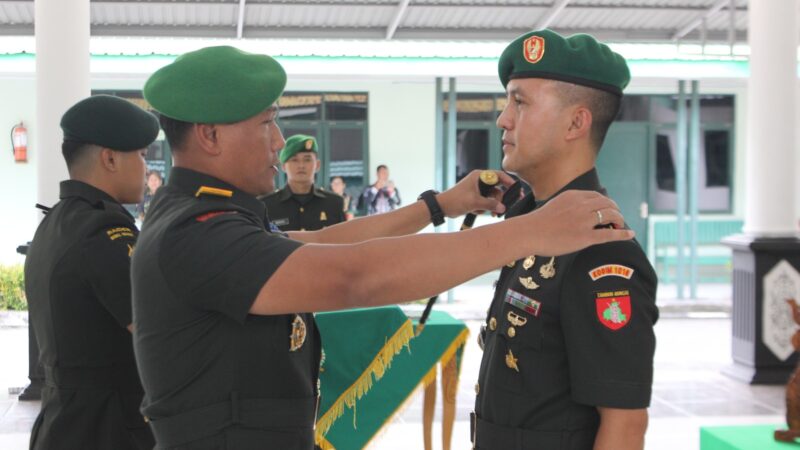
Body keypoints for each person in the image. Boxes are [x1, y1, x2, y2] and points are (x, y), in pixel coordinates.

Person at [132, 45, 633, 450]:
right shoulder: (194, 232)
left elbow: (321, 244)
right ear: (210, 135)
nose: (277, 141)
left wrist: (439, 206)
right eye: (267, 123)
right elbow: (350, 275)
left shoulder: (211, 215)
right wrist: (530, 232)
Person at [470, 30, 659, 450]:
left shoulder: (602, 250)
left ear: (576, 122)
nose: (503, 118)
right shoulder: (528, 221)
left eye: (519, 102)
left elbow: (625, 426)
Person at [24, 95, 159, 450]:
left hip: (66, 422)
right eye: (142, 155)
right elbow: (156, 328)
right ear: (110, 158)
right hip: (105, 428)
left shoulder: (57, 221)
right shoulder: (104, 231)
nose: (147, 168)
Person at [261, 135, 345, 231]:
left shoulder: (334, 203)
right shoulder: (267, 205)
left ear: (317, 165)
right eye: (294, 160)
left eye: (307, 159)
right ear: (283, 166)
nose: (301, 165)